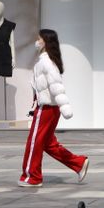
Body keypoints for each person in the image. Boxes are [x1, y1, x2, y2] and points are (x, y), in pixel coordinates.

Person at [19, 29, 89, 187]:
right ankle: (79, 163)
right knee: (48, 144)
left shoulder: (46, 63)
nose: (36, 42)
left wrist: (65, 108)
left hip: (46, 110)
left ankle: (32, 177)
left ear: (45, 42)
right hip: (48, 109)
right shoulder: (45, 61)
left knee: (34, 143)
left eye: (39, 39)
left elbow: (56, 86)